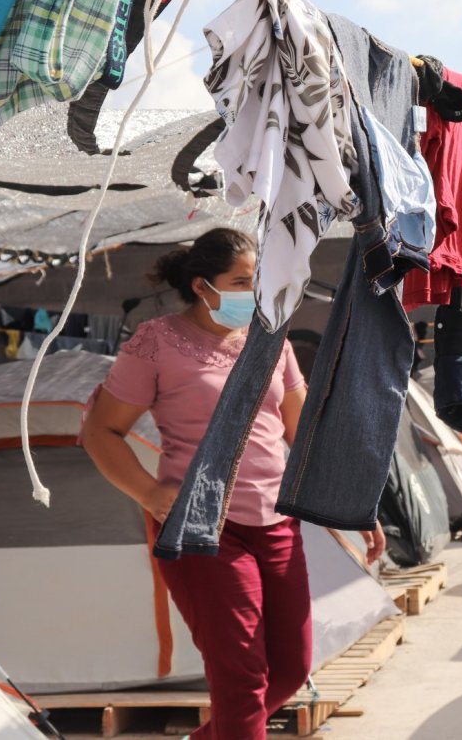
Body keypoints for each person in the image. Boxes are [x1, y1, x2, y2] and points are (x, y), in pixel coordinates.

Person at [81, 227, 386, 740]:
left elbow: (302, 433)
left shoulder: (273, 339)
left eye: (259, 280)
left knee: (289, 669)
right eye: (242, 281)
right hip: (200, 529)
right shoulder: (155, 342)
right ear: (203, 286)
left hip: (276, 523)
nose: (255, 292)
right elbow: (100, 431)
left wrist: (355, 507)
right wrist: (150, 493)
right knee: (242, 680)